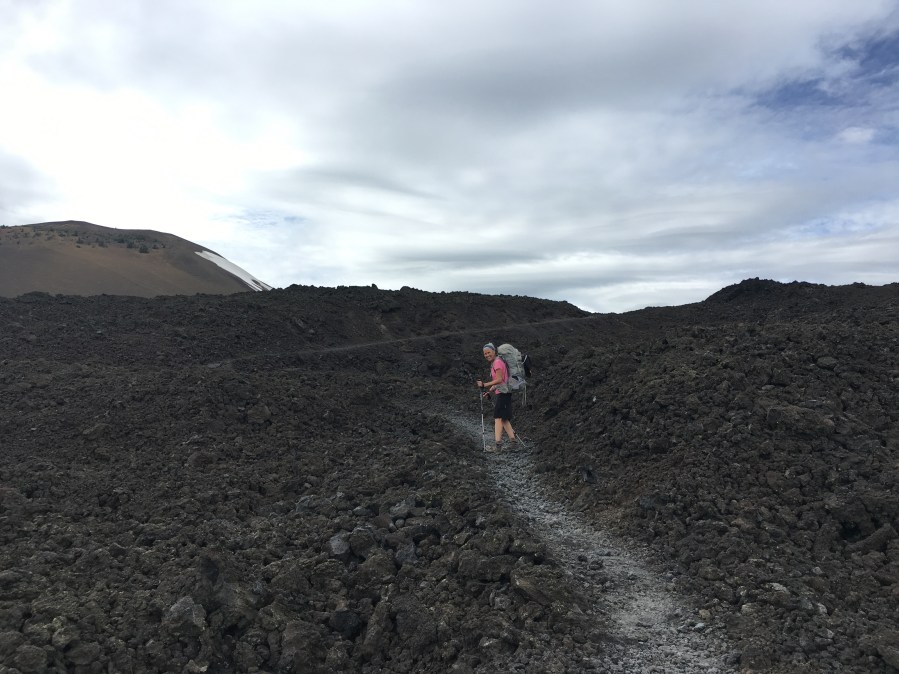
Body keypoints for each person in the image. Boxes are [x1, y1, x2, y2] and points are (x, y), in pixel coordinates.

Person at [476, 342, 518, 451]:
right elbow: (500, 381)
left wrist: (484, 384)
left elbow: (499, 379)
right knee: (504, 419)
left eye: (488, 352)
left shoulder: (497, 362)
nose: (487, 355)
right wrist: (489, 391)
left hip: (504, 393)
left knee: (498, 418)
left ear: (494, 351)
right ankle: (513, 443)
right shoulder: (497, 362)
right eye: (485, 353)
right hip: (505, 392)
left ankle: (498, 445)